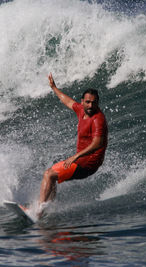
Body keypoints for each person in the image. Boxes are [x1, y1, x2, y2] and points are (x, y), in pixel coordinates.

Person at [38, 73, 108, 211]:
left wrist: (75, 156)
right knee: (52, 177)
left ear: (97, 103)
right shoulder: (81, 110)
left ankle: (38, 210)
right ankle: (47, 207)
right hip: (81, 161)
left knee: (49, 174)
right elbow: (68, 101)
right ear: (82, 102)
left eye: (94, 102)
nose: (90, 105)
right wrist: (54, 88)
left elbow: (98, 143)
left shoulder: (98, 119)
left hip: (87, 164)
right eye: (88, 102)